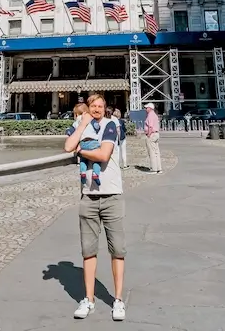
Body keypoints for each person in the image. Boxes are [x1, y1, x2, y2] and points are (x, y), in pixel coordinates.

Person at [64, 94, 126, 321]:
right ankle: (88, 299)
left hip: (112, 195)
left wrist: (80, 151)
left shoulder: (112, 125)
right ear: (88, 109)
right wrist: (82, 124)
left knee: (117, 250)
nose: (98, 109)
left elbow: (104, 154)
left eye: (101, 106)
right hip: (88, 196)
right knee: (88, 251)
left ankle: (118, 300)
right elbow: (67, 145)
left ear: (105, 108)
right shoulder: (81, 125)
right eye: (93, 106)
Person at [144, 102, 162, 174]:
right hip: (156, 134)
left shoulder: (150, 115)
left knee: (152, 152)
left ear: (150, 108)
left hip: (152, 134)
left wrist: (148, 134)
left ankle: (154, 169)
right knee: (156, 152)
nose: (145, 109)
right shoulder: (155, 115)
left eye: (146, 108)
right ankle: (159, 168)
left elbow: (150, 126)